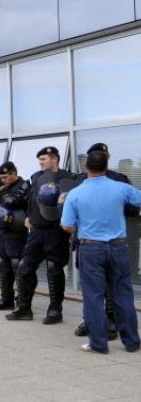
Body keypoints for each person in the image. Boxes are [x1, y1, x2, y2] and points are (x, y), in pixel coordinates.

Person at [61, 150, 141, 353]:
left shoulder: (75, 194)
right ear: (106, 166)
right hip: (118, 246)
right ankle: (131, 342)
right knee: (123, 295)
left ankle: (98, 343)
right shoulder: (121, 188)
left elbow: (67, 226)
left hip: (90, 248)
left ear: (86, 167)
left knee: (93, 296)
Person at [6, 146, 74, 323]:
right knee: (24, 266)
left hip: (56, 232)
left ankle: (54, 310)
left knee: (54, 268)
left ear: (54, 159)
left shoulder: (67, 178)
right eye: (40, 160)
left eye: (43, 159)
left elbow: (71, 204)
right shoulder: (36, 177)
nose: (40, 162)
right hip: (36, 231)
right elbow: (31, 200)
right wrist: (28, 216)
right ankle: (24, 308)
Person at [0, 161, 32, 311]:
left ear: (14, 174)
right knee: (2, 263)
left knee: (17, 264)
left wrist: (2, 191)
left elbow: (12, 202)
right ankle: (6, 298)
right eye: (1, 177)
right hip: (3, 231)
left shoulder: (24, 185)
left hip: (17, 232)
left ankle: (22, 301)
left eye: (6, 177)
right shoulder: (4, 187)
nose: (3, 180)